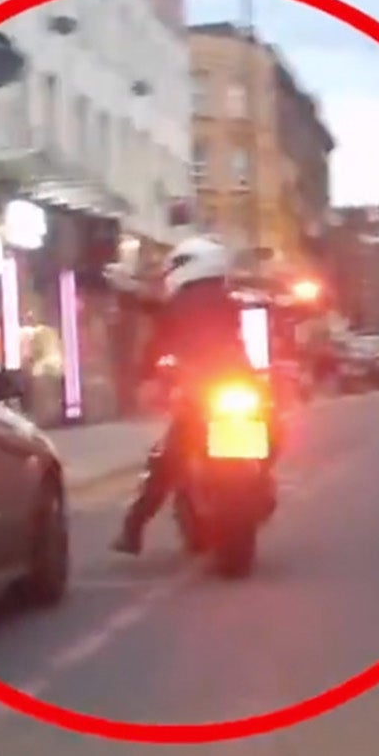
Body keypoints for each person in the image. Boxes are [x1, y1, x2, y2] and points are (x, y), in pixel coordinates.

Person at [112, 234, 265, 556]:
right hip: (212, 394)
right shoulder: (232, 301)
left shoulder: (184, 306)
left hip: (219, 394)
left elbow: (156, 346)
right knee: (169, 455)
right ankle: (134, 527)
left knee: (167, 459)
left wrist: (148, 375)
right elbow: (158, 348)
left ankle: (133, 527)